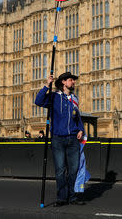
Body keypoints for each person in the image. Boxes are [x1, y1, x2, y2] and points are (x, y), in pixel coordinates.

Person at [35, 72, 85, 206]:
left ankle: (72, 196)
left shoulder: (75, 99)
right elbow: (38, 101)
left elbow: (77, 117)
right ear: (63, 82)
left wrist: (80, 129)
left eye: (73, 80)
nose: (73, 82)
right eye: (71, 80)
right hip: (58, 139)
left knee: (74, 169)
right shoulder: (54, 97)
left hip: (73, 139)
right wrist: (47, 85)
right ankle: (62, 197)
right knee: (61, 170)